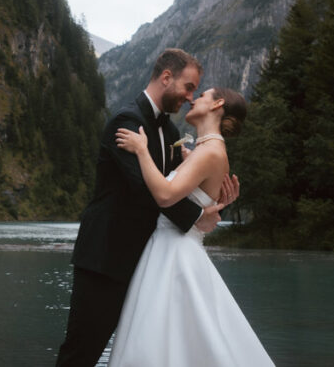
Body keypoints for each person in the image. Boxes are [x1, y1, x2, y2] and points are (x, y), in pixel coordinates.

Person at [55, 49, 239, 367]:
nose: (190, 97)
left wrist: (215, 204)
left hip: (149, 262)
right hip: (106, 258)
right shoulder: (127, 120)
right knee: (82, 351)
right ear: (166, 77)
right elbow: (143, 189)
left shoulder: (169, 132)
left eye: (196, 91)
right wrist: (197, 217)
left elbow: (184, 184)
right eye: (188, 86)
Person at [109, 86, 274, 366]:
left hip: (174, 251)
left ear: (217, 104)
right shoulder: (206, 150)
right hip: (172, 245)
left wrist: (141, 150)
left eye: (202, 95)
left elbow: (164, 195)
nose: (193, 99)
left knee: (163, 337)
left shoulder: (210, 151)